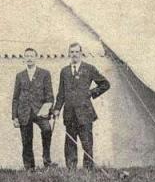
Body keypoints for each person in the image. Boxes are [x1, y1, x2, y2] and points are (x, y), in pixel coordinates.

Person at [53, 42, 111, 170]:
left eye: (76, 52)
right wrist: (57, 109)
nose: (74, 54)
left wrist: (91, 93)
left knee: (87, 142)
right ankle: (71, 170)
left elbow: (105, 84)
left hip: (85, 113)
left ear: (81, 53)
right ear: (69, 54)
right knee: (70, 143)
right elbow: (61, 93)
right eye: (72, 52)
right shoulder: (64, 71)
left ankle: (88, 169)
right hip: (69, 113)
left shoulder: (89, 68)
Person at [12, 47, 55, 170]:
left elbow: (50, 95)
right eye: (27, 56)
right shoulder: (20, 76)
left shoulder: (44, 74)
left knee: (47, 130)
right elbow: (15, 97)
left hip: (39, 111)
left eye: (31, 56)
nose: (29, 58)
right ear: (24, 59)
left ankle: (47, 160)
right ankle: (29, 167)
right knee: (26, 140)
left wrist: (47, 109)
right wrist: (15, 117)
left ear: (36, 57)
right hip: (24, 112)